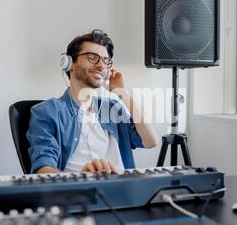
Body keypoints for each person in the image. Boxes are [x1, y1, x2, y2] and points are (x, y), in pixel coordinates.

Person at [27, 29, 158, 174]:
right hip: (77, 193)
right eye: (92, 57)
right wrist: (80, 178)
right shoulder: (47, 112)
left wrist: (122, 92)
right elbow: (44, 170)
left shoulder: (112, 108)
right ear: (70, 63)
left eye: (106, 60)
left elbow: (150, 141)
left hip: (122, 191)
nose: (101, 65)